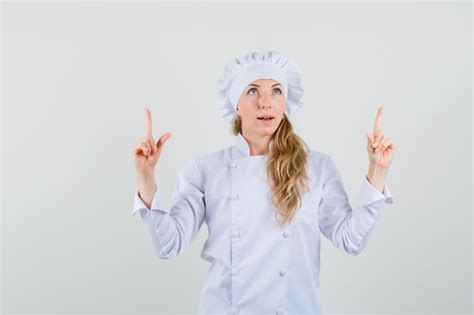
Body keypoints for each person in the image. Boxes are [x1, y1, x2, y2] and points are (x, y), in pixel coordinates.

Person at [131, 50, 396, 315]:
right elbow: (168, 244)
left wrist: (378, 170)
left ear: (285, 104)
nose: (266, 102)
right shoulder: (205, 170)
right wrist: (146, 177)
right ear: (235, 103)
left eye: (277, 91)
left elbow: (350, 239)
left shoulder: (317, 167)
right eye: (253, 91)